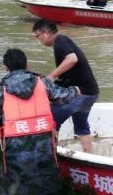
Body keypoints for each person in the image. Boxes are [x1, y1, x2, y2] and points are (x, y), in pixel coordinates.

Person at [0, 49, 80, 195]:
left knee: (11, 184)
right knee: (47, 183)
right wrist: (75, 90)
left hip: (15, 151)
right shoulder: (42, 83)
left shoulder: (0, 90)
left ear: (5, 68)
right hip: (43, 148)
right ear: (26, 65)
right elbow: (63, 97)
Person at [32, 19, 99, 153]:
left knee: (50, 120)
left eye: (37, 36)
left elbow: (72, 59)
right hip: (91, 93)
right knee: (81, 127)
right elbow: (67, 76)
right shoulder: (63, 42)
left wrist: (51, 76)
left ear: (45, 33)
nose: (38, 39)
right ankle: (89, 155)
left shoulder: (60, 41)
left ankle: (51, 157)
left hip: (80, 93)